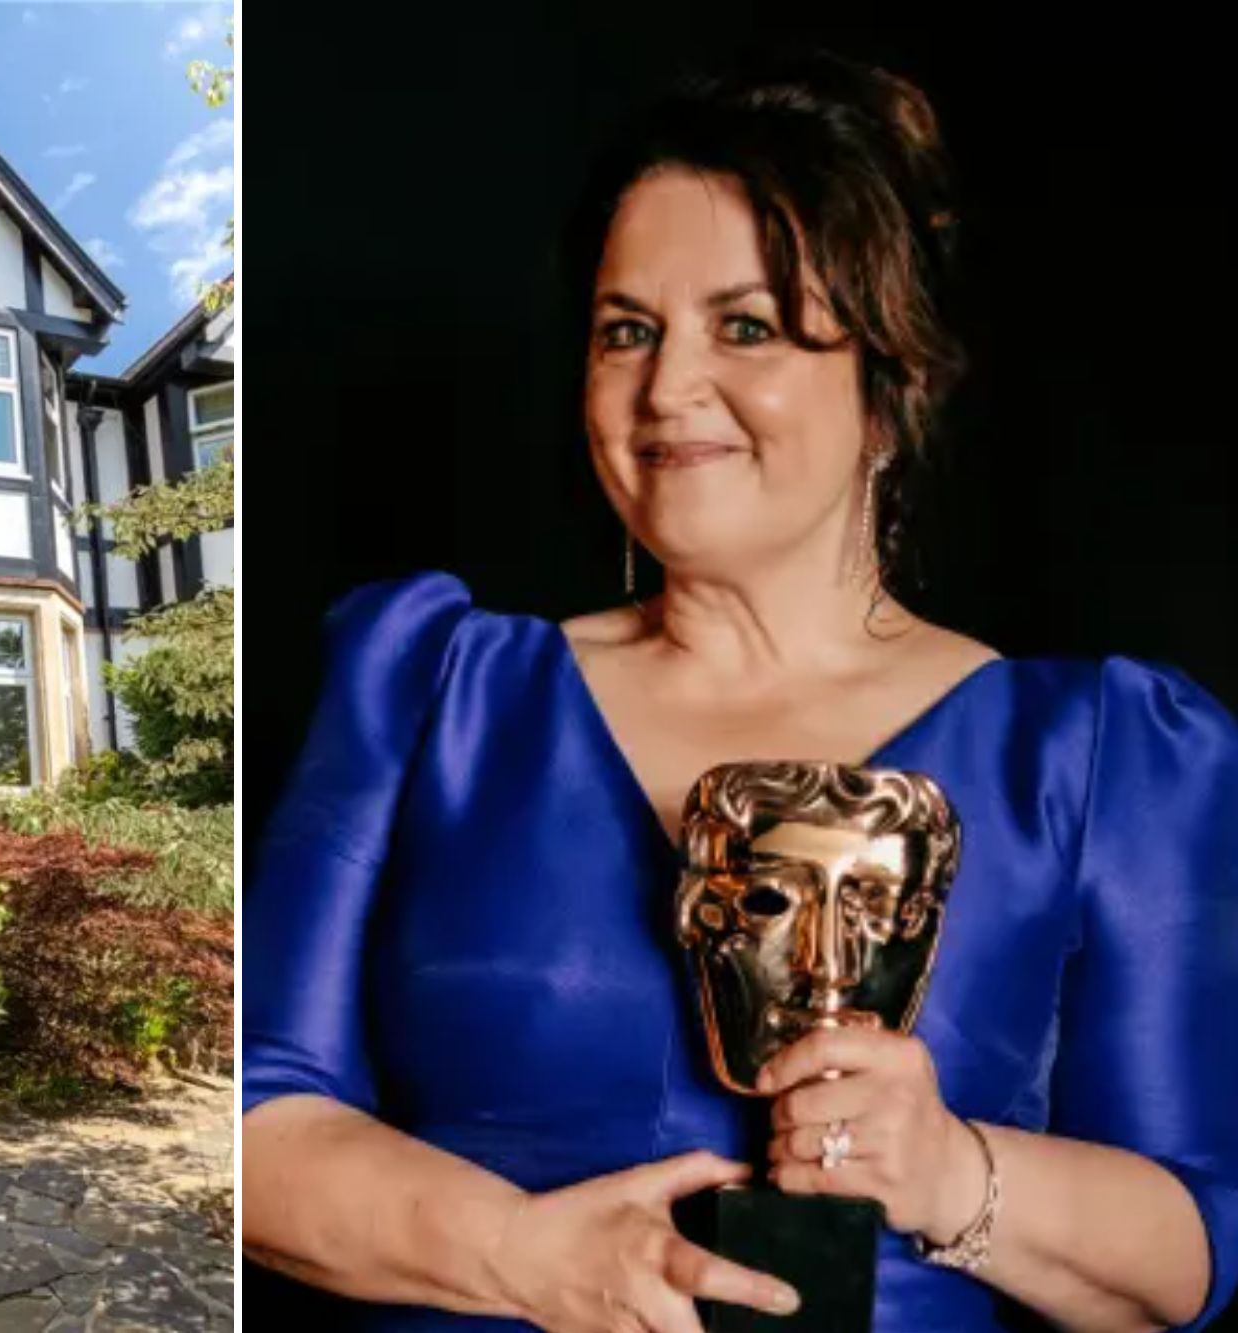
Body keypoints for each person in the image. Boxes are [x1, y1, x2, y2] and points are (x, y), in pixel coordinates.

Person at [241, 46, 1238, 1333]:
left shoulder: (1099, 752)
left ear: (890, 384)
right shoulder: (430, 684)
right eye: (625, 331)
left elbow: (1197, 1246)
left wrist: (954, 1174)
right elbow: (256, 1114)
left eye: (747, 326)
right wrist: (519, 1254)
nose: (665, 388)